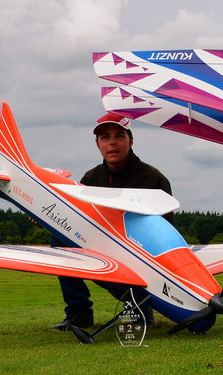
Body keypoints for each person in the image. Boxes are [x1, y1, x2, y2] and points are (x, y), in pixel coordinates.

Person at [49, 113, 173, 331]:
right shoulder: (90, 179)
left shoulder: (154, 179)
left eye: (119, 136)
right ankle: (79, 312)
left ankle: (140, 307)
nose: (112, 143)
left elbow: (167, 236)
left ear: (131, 140)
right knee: (59, 236)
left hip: (140, 259)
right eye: (105, 137)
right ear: (97, 144)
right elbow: (77, 220)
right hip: (102, 251)